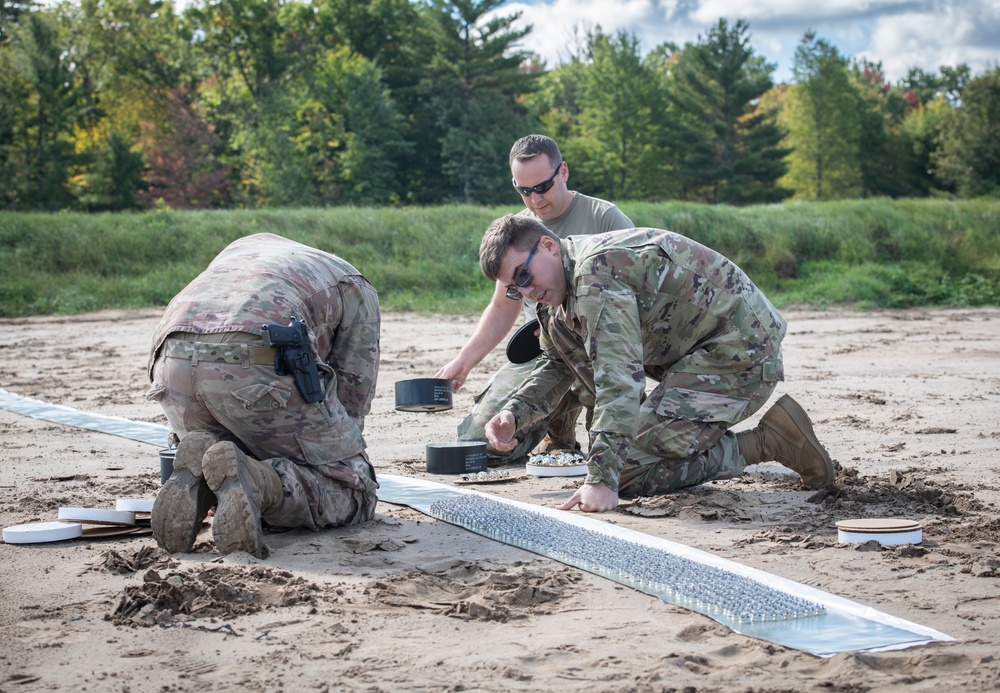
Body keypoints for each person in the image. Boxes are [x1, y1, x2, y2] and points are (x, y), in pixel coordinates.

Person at [478, 215, 835, 513]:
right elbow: (559, 361)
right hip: (696, 358)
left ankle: (770, 441)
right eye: (513, 289)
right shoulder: (556, 296)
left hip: (741, 353)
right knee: (624, 458)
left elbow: (619, 381)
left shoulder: (595, 276)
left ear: (549, 247)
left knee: (626, 471)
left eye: (523, 277)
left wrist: (601, 480)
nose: (525, 292)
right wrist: (515, 413)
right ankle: (752, 437)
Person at [147, 233, 380, 558]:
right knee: (355, 489)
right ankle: (258, 483)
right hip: (255, 364)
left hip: (171, 362)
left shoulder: (237, 254)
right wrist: (334, 465)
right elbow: (353, 399)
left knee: (233, 447)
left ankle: (204, 469)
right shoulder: (354, 283)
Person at [436, 134, 633, 461]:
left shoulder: (605, 219)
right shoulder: (517, 231)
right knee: (477, 445)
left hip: (600, 352)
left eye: (542, 187)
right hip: (542, 354)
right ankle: (553, 430)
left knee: (624, 458)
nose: (535, 200)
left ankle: (569, 422)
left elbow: (634, 301)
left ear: (563, 172)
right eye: (523, 190)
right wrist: (463, 362)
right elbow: (502, 306)